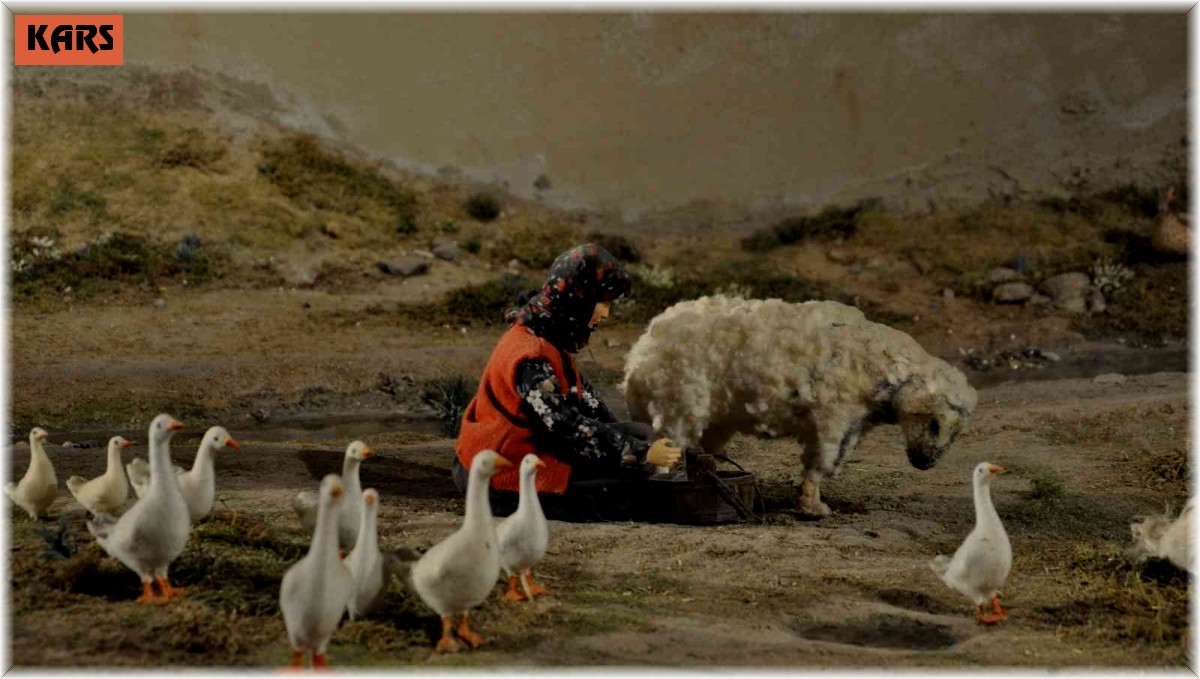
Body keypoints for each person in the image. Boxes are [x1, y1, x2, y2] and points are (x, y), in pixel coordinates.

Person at [453, 243, 682, 521]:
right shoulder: (531, 357)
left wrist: (636, 442)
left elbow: (589, 404)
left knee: (638, 434)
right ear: (579, 299)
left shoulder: (550, 335)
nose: (606, 314)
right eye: (603, 303)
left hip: (532, 446)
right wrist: (642, 452)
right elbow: (567, 426)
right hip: (501, 475)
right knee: (628, 491)